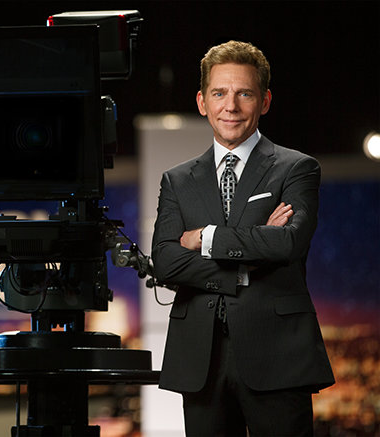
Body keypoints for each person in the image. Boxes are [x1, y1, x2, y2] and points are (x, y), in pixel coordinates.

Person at [151, 40, 335, 436]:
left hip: (278, 354)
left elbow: (287, 243)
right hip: (199, 359)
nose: (230, 106)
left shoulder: (297, 168)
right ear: (202, 102)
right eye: (219, 93)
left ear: (264, 101)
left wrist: (206, 238)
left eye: (244, 94)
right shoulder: (177, 180)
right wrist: (242, 268)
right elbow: (165, 261)